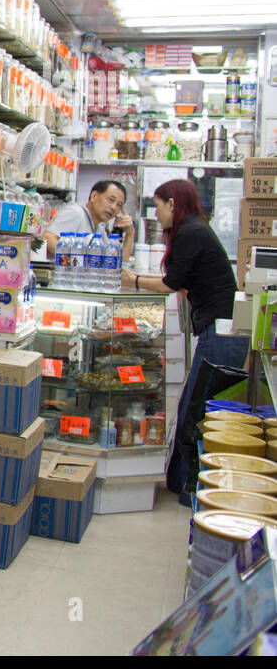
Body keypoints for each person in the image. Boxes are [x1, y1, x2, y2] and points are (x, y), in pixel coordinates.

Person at [121, 179, 245, 503]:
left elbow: (171, 282)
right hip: (218, 329)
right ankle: (182, 484)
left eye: (159, 205)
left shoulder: (190, 231)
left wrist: (132, 280)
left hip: (221, 331)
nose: (157, 213)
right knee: (195, 406)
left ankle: (191, 488)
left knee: (199, 409)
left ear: (172, 204)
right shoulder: (194, 228)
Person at [44, 179, 135, 261]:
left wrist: (130, 234)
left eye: (119, 205)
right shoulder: (76, 212)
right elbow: (48, 238)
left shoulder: (99, 230)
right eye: (111, 200)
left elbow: (118, 264)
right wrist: (75, 261)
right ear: (94, 196)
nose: (113, 207)